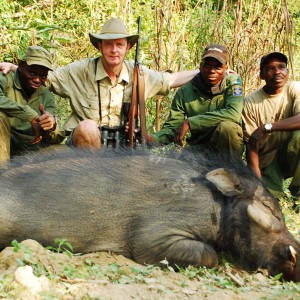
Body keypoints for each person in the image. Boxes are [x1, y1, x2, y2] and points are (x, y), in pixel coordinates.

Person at [1, 18, 200, 149]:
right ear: (99, 46)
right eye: (109, 44)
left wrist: (204, 71)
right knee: (87, 127)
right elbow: (43, 76)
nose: (114, 50)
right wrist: (14, 67)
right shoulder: (78, 71)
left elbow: (171, 80)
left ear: (128, 47)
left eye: (120, 44)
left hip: (122, 143)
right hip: (84, 145)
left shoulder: (139, 74)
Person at [149, 44, 244, 157]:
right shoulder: (185, 91)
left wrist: (190, 123)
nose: (212, 71)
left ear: (226, 69)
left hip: (226, 148)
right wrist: (151, 139)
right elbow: (173, 128)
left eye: (218, 67)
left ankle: (231, 171)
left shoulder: (233, 83)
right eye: (208, 66)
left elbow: (234, 114)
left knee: (228, 128)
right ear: (200, 66)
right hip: (197, 149)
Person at [242, 52, 300, 201]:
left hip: (292, 153)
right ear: (261, 75)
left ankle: (298, 194)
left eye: (282, 67)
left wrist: (267, 127)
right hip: (268, 160)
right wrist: (257, 183)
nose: (277, 72)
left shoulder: (294, 88)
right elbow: (252, 146)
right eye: (270, 68)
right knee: (267, 200)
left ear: (287, 72)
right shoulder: (249, 102)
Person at [0, 46, 63, 162]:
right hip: (6, 145)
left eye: (43, 76)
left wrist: (51, 124)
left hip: (32, 151)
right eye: (32, 73)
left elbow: (55, 137)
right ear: (21, 66)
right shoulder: (4, 79)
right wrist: (30, 115)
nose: (37, 80)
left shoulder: (46, 96)